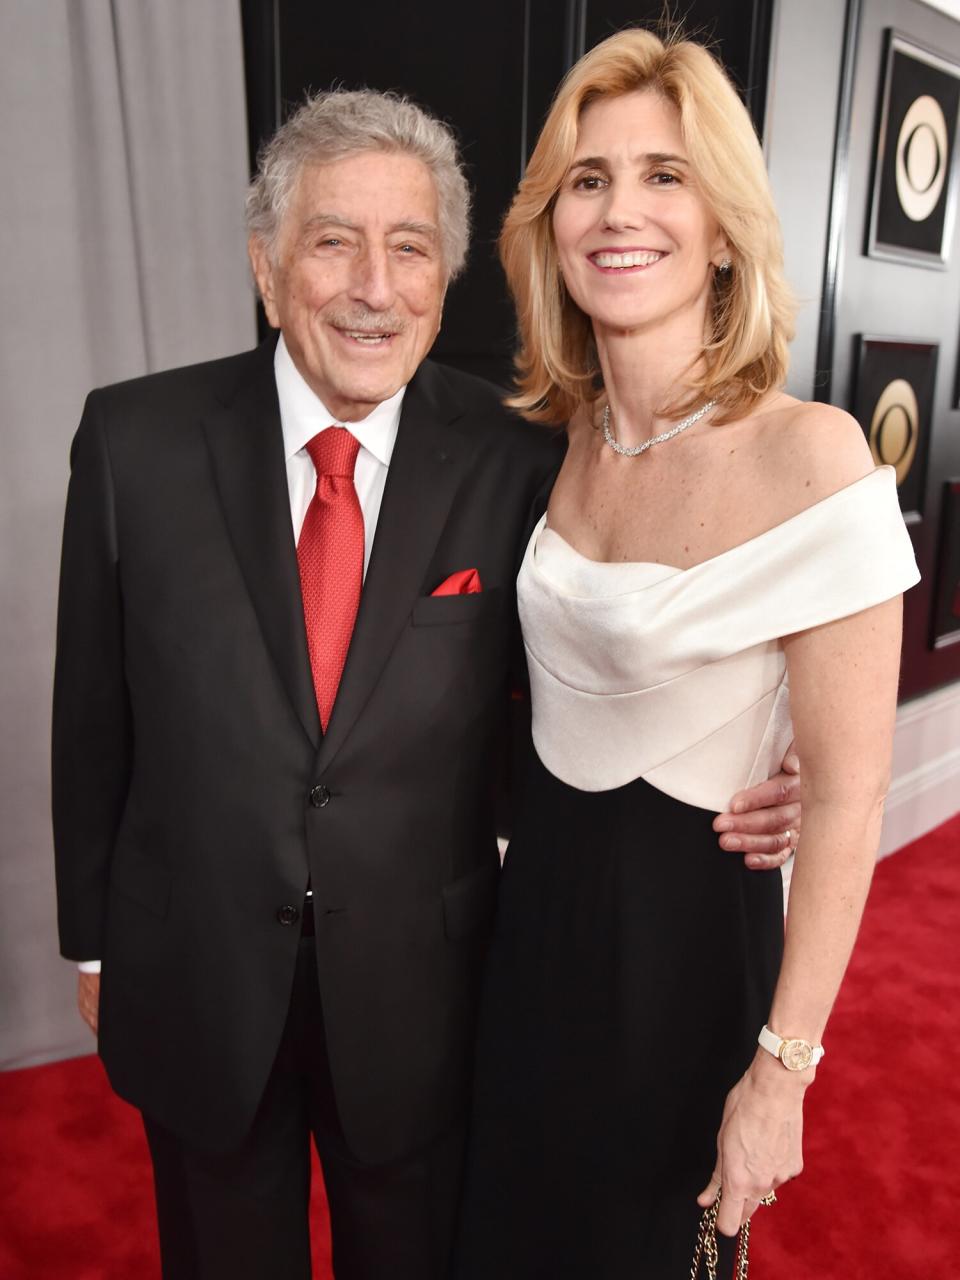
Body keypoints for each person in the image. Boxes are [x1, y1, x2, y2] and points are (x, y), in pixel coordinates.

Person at [52, 89, 798, 1280]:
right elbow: (93, 717)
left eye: (410, 248)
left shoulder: (517, 458)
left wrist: (780, 752)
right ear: (266, 262)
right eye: (333, 240)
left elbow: (598, 668)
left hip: (427, 996)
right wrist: (91, 946)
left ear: (447, 277)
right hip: (195, 971)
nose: (374, 285)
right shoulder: (133, 440)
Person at [454, 29, 919, 1280]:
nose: (621, 211)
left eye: (665, 175)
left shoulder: (812, 458)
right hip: (529, 931)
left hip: (685, 952)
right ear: (550, 224)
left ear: (725, 228)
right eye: (588, 178)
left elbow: (853, 792)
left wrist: (784, 1071)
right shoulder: (544, 446)